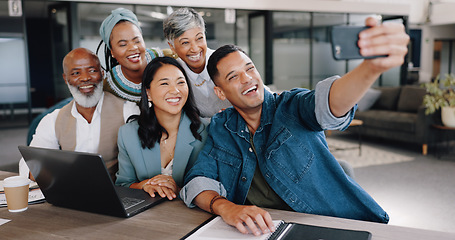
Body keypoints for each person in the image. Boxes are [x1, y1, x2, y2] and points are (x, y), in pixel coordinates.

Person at [180, 17, 410, 236]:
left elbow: (328, 105)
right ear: (220, 92)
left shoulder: (291, 106)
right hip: (263, 231)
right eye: (233, 77)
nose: (248, 78)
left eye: (250, 68)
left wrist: (370, 69)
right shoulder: (223, 125)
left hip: (329, 226)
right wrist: (225, 207)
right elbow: (198, 180)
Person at [19, 48, 139, 180]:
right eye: (76, 73)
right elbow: (30, 162)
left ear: (103, 73)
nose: (85, 78)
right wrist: (37, 171)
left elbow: (141, 160)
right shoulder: (53, 120)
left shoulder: (128, 111)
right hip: (69, 193)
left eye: (92, 70)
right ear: (66, 79)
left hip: (119, 193)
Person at [115, 57, 208, 200]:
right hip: (147, 215)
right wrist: (145, 185)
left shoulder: (206, 130)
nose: (175, 90)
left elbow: (214, 186)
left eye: (181, 82)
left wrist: (178, 190)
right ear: (148, 93)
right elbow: (123, 185)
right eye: (165, 83)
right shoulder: (128, 133)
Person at [163, 7, 232, 118]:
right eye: (185, 42)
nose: (194, 48)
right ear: (172, 47)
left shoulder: (226, 61)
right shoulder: (174, 73)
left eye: (199, 38)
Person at [99, 8, 176, 103]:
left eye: (137, 41)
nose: (133, 48)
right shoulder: (109, 87)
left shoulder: (168, 58)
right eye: (123, 44)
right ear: (112, 52)